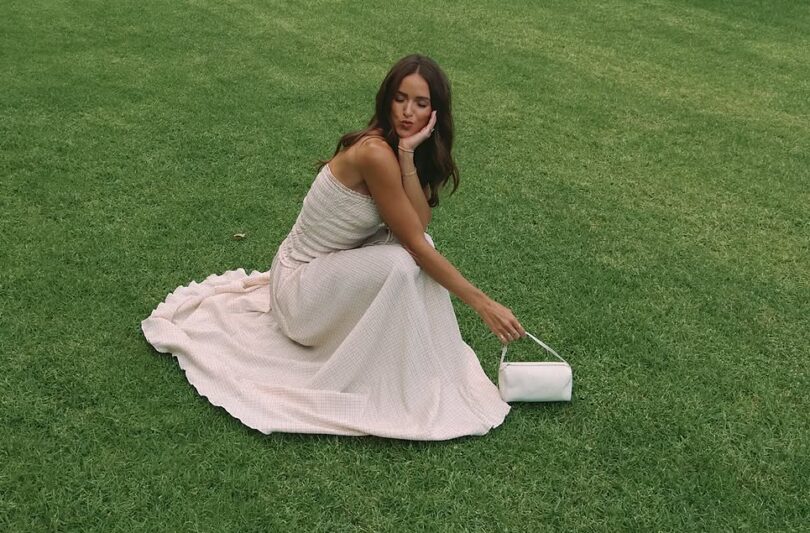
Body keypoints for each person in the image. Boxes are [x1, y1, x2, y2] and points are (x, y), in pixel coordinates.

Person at [142, 54, 526, 440]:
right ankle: (390, 368)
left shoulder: (398, 150)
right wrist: (483, 304)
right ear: (386, 99)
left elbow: (419, 225)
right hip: (298, 291)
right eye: (400, 99)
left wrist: (409, 155)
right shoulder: (374, 152)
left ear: (435, 112)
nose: (407, 112)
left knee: (418, 247)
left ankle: (413, 362)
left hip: (326, 275)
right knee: (403, 261)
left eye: (420, 103)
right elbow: (412, 243)